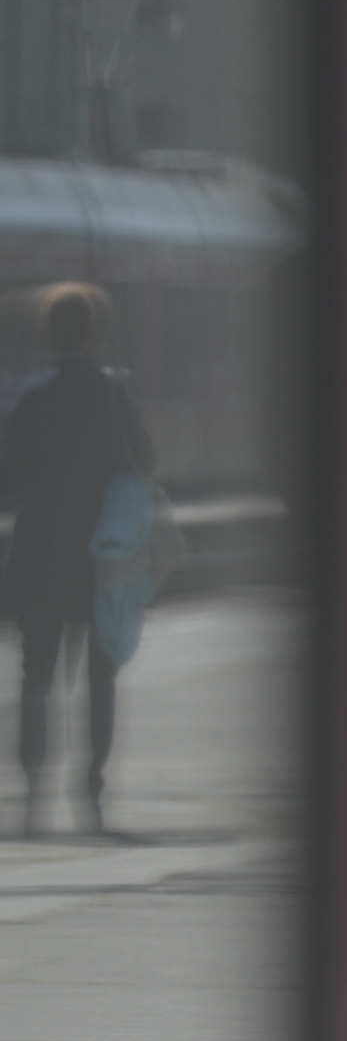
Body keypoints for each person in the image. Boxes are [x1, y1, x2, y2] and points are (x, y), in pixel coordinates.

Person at [0, 282, 156, 838]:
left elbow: (7, 476)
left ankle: (32, 800)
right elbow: (146, 459)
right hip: (102, 556)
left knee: (35, 678)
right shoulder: (112, 392)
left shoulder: (29, 393)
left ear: (48, 331)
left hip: (40, 554)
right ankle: (91, 797)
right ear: (94, 332)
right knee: (100, 676)